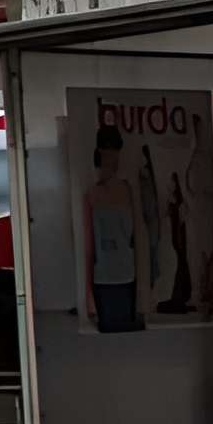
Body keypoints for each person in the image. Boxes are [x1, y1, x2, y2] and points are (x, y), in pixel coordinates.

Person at [86, 124, 142, 333]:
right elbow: (90, 245)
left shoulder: (124, 189)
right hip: (109, 273)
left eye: (116, 157)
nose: (114, 162)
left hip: (122, 271)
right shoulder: (94, 193)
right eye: (110, 157)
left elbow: (133, 234)